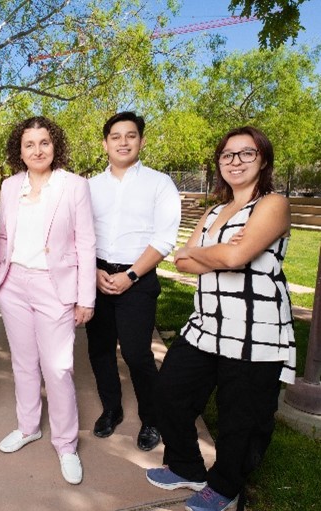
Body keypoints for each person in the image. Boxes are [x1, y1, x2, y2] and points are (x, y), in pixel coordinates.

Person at [146, 126, 296, 511]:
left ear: (263, 159)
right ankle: (186, 466)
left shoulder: (272, 204)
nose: (236, 161)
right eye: (228, 155)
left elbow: (232, 259)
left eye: (247, 153)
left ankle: (225, 486)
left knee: (240, 418)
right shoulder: (214, 210)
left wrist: (208, 252)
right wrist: (215, 251)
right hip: (206, 324)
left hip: (254, 328)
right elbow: (181, 259)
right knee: (168, 394)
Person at [0, 116, 95, 485]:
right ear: (19, 150)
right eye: (29, 144)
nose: (37, 150)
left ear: (56, 146)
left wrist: (86, 297)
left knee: (59, 366)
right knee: (23, 362)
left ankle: (66, 445)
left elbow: (85, 243)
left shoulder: (74, 186)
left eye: (44, 142)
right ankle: (28, 426)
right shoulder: (9, 185)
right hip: (13, 283)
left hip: (56, 286)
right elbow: (2, 235)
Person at [85, 111, 181, 451]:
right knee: (99, 351)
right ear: (105, 143)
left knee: (138, 354)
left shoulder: (159, 183)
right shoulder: (90, 187)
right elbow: (80, 235)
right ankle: (111, 410)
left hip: (137, 278)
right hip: (95, 276)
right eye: (115, 136)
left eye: (130, 135)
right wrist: (92, 272)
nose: (123, 142)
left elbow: (165, 238)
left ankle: (152, 418)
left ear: (141, 140)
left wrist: (130, 276)